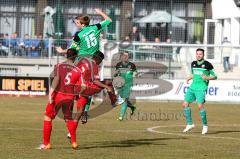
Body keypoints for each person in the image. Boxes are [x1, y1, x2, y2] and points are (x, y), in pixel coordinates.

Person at [39, 48, 79, 150]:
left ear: (66, 55)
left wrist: (50, 94)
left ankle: (46, 144)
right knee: (68, 119)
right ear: (75, 57)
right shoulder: (78, 69)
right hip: (69, 97)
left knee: (48, 117)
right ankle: (74, 142)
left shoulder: (59, 66)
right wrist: (76, 98)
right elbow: (78, 86)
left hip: (58, 96)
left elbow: (56, 79)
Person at [182, 48, 217, 135]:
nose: (198, 55)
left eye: (200, 54)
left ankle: (205, 126)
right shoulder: (193, 63)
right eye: (197, 54)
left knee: (200, 106)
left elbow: (215, 76)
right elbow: (194, 74)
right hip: (192, 87)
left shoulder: (208, 65)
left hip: (201, 88)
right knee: (185, 104)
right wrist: (189, 78)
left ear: (203, 55)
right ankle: (190, 124)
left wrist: (207, 78)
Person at [114, 52, 137, 121]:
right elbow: (115, 74)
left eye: (127, 55)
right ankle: (132, 107)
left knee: (125, 100)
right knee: (120, 99)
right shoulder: (118, 65)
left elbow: (135, 73)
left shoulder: (132, 65)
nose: (126, 57)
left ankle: (121, 116)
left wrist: (135, 74)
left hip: (128, 84)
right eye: (124, 55)